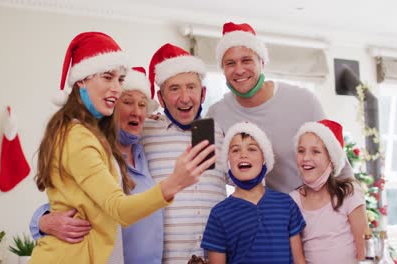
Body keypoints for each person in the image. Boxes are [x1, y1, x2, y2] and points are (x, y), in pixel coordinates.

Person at [29, 32, 216, 264]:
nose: (116, 89)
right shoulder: (80, 137)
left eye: (120, 80)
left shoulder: (137, 139)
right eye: (108, 78)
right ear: (82, 80)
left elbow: (79, 198)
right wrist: (42, 220)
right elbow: (113, 206)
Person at [206, 22, 353, 193]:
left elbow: (339, 164)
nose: (239, 70)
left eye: (246, 60)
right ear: (223, 69)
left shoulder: (303, 101)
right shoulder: (215, 114)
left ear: (262, 62)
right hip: (267, 213)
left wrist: (354, 209)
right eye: (230, 63)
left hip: (315, 208)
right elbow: (209, 173)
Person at [143, 43, 228, 263]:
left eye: (191, 87)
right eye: (174, 89)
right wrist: (43, 219)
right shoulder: (142, 132)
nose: (184, 97)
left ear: (203, 94)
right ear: (160, 99)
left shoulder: (220, 132)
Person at [201, 121, 306, 264]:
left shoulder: (286, 204)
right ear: (228, 160)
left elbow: (299, 260)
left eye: (252, 149)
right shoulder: (219, 214)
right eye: (235, 150)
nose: (243, 154)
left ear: (264, 158)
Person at [289, 119, 367, 263]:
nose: (306, 158)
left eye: (315, 152)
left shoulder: (349, 193)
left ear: (332, 159)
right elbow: (298, 258)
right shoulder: (293, 200)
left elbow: (364, 249)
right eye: (301, 151)